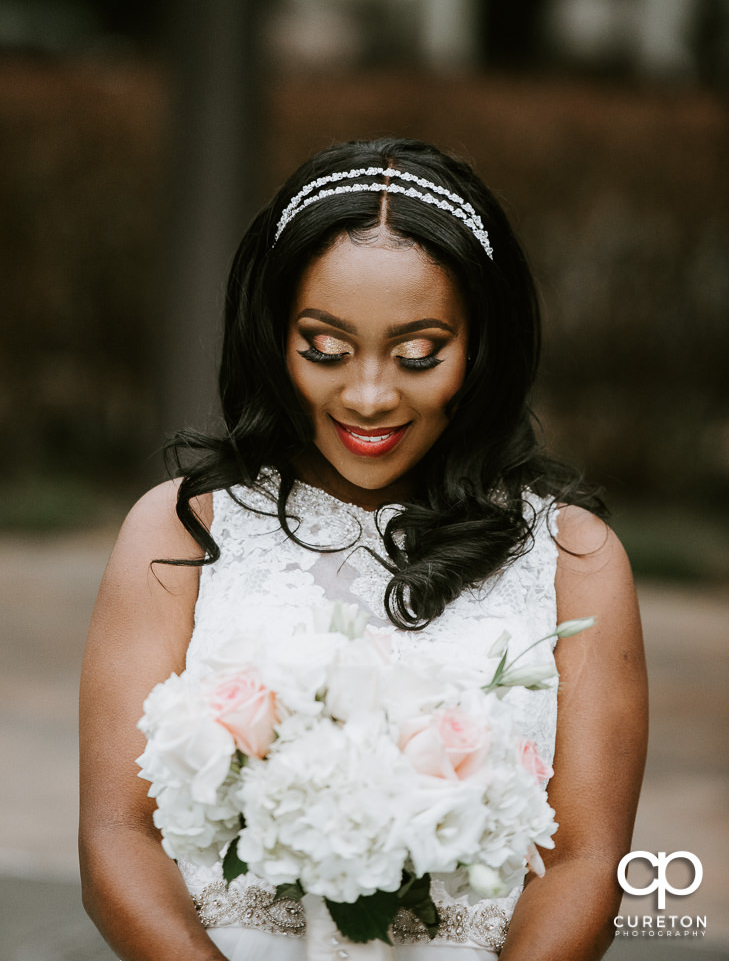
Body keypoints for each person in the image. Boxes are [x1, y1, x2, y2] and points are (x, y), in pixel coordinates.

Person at [79, 138, 648, 961]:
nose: (370, 395)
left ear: (481, 346)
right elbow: (116, 837)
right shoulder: (177, 534)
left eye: (418, 354)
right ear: (271, 335)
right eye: (325, 349)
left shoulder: (574, 560)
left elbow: (587, 865)